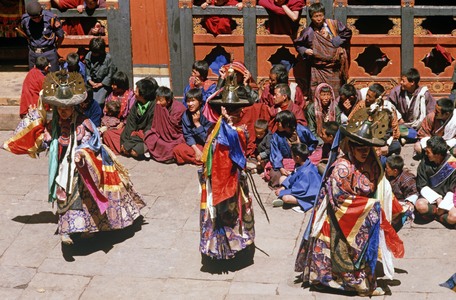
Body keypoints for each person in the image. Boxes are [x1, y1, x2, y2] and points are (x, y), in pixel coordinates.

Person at [6, 71, 146, 244]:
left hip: (82, 166)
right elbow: (40, 141)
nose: (63, 112)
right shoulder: (53, 125)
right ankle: (67, 229)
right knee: (64, 197)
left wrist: (81, 153)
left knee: (84, 199)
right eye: (60, 109)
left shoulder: (84, 123)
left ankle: (86, 228)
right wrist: (34, 117)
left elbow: (92, 143)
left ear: (74, 107)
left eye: (67, 109)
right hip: (62, 167)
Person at [295, 121, 406, 296]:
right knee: (340, 250)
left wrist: (396, 207)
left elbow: (380, 187)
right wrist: (370, 206)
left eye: (367, 147)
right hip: (339, 214)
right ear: (351, 148)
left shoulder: (373, 163)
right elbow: (339, 199)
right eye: (360, 147)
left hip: (361, 213)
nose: (365, 151)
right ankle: (349, 284)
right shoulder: (342, 168)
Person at [199, 99, 255, 260]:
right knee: (225, 214)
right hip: (223, 182)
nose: (241, 114)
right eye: (237, 111)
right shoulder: (226, 131)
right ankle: (225, 248)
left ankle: (228, 248)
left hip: (225, 181)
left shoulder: (220, 130)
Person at [293, 2, 352, 100]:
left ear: (324, 15)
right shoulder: (308, 32)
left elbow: (347, 32)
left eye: (320, 15)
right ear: (311, 17)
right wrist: (305, 50)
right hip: (317, 70)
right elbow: (298, 44)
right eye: (315, 16)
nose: (319, 19)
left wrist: (333, 40)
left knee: (334, 95)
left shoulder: (333, 25)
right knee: (317, 95)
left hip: (334, 69)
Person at [103, 78, 157, 157]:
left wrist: (128, 144)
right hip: (133, 134)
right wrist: (124, 143)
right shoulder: (137, 103)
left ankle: (127, 149)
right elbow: (130, 124)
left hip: (144, 137)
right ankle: (124, 149)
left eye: (136, 91)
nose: (134, 92)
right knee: (107, 134)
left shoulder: (154, 106)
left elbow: (149, 131)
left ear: (143, 95)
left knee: (135, 151)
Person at [266, 110, 318, 189]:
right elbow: (275, 152)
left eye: (278, 123)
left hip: (302, 159)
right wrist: (281, 168)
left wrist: (305, 153)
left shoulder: (302, 130)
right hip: (285, 162)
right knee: (274, 174)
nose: (277, 125)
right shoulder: (276, 136)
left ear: (287, 124)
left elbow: (313, 143)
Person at [349, 83, 401, 156]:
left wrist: (387, 144)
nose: (366, 98)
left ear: (377, 99)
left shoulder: (388, 108)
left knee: (396, 145)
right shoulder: (361, 104)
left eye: (369, 97)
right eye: (367, 95)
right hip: (364, 139)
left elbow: (395, 130)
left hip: (382, 140)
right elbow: (350, 120)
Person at [415, 136, 456, 227]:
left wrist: (442, 206)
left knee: (454, 217)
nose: (425, 153)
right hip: (430, 198)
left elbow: (452, 191)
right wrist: (437, 198)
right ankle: (439, 216)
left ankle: (432, 214)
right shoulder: (425, 162)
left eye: (428, 152)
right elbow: (421, 185)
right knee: (420, 206)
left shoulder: (453, 164)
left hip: (447, 200)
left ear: (438, 154)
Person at [387, 68, 436, 142]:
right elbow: (388, 105)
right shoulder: (396, 91)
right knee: (393, 129)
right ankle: (411, 137)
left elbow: (431, 113)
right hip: (401, 125)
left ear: (412, 82)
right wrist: (398, 118)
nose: (401, 82)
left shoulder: (423, 94)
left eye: (403, 81)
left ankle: (408, 137)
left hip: (419, 127)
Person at [273, 143, 321, 212]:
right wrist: (283, 187)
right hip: (299, 187)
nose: (292, 157)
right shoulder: (301, 163)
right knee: (282, 178)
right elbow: (292, 175)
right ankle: (287, 200)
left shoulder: (307, 172)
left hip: (308, 194)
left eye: (292, 155)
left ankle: (302, 203)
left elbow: (300, 190)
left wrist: (282, 192)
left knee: (286, 198)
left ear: (297, 157)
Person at [143, 87, 186, 163]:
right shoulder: (159, 106)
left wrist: (164, 112)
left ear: (169, 100)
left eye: (160, 100)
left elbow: (174, 128)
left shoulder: (179, 108)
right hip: (161, 133)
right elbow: (156, 124)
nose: (158, 102)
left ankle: (168, 157)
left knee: (170, 146)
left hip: (175, 136)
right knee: (149, 135)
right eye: (156, 99)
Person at [21, 1, 65, 72]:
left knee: (52, 79)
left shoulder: (51, 18)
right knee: (34, 78)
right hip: (34, 54)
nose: (37, 19)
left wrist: (55, 48)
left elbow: (61, 36)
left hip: (49, 53)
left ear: (42, 10)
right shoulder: (25, 20)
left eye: (39, 16)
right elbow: (26, 36)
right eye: (34, 18)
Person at [173, 88, 213, 165]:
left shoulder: (207, 114)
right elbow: (187, 135)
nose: (190, 104)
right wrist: (196, 150)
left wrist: (197, 123)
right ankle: (202, 159)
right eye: (188, 101)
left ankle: (203, 159)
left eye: (193, 101)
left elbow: (207, 139)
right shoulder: (185, 115)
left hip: (207, 144)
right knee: (177, 150)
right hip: (195, 145)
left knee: (211, 152)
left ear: (200, 102)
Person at [85, 37, 117, 106]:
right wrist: (90, 81)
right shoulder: (88, 56)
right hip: (91, 83)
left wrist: (101, 84)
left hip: (103, 85)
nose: (93, 54)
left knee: (99, 102)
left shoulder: (108, 58)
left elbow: (110, 74)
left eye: (95, 53)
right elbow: (87, 70)